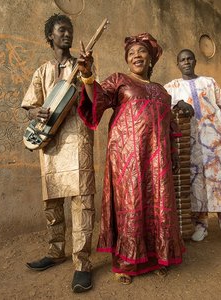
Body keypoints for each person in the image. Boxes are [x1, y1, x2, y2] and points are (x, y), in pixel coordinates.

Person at [77, 33, 185, 284]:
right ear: (127, 60)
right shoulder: (119, 80)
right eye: (131, 53)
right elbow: (97, 101)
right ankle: (126, 261)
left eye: (142, 52)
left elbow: (168, 126)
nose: (136, 56)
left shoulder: (161, 91)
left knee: (158, 205)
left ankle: (158, 256)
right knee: (130, 205)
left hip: (157, 159)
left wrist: (173, 153)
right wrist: (88, 75)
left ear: (151, 58)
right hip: (126, 157)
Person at [21, 14, 96, 293]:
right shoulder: (42, 71)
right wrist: (34, 112)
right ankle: (55, 252)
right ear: (50, 36)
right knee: (52, 201)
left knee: (82, 202)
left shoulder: (83, 64)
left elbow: (91, 97)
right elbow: (30, 105)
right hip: (50, 142)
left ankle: (82, 264)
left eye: (70, 30)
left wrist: (87, 73)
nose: (67, 34)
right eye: (61, 30)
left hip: (77, 139)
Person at [164, 49, 221, 251]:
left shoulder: (210, 82)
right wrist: (178, 103)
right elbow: (162, 104)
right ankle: (200, 225)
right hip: (189, 144)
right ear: (177, 64)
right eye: (182, 59)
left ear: (195, 61)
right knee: (196, 184)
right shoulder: (172, 87)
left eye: (189, 58)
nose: (186, 62)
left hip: (215, 142)